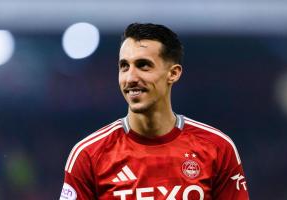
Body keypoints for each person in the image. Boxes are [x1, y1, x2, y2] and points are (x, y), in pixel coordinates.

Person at [60, 23, 249, 200]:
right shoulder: (89, 155)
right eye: (124, 66)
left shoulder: (217, 148)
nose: (131, 77)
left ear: (173, 73)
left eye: (143, 65)